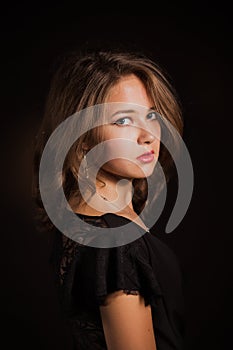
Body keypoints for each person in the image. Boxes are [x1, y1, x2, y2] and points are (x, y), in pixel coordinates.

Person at [32, 48, 186, 349]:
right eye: (123, 120)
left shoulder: (84, 228)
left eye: (151, 115)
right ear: (83, 136)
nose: (148, 135)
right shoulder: (115, 242)